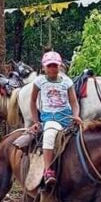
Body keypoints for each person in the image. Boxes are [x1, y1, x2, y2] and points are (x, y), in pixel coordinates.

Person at [29, 51, 82, 191]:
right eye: (49, 66)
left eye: (55, 65)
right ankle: (48, 171)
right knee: (49, 134)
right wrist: (36, 121)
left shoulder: (67, 81)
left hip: (66, 117)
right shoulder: (39, 82)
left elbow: (74, 102)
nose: (52, 68)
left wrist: (76, 116)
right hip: (50, 118)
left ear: (60, 66)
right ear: (44, 67)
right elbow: (32, 101)